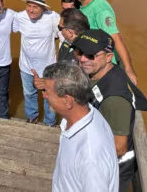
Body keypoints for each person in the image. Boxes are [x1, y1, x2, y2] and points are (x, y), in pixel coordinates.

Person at [72, 29, 147, 192]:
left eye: (91, 55)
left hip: (111, 171)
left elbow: (119, 147)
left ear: (109, 57)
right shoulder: (100, 73)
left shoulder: (115, 100)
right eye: (79, 52)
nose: (82, 59)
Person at [40, 62, 118, 192]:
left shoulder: (90, 157)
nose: (44, 95)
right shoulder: (86, 114)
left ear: (67, 101)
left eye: (47, 92)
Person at [66, 0, 138, 85]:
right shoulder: (82, 3)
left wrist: (128, 70)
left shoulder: (101, 11)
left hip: (102, 68)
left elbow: (116, 39)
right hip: (87, 61)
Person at [13, 0, 60, 126]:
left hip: (49, 68)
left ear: (43, 8)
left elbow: (61, 34)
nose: (31, 10)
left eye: (35, 7)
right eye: (29, 6)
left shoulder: (53, 17)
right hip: (27, 66)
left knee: (50, 96)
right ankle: (32, 117)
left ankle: (50, 122)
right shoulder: (20, 17)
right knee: (29, 94)